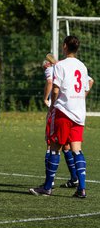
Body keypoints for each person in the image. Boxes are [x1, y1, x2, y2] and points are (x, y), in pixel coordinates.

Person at [29, 36, 90, 198]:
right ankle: (81, 188)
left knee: (54, 148)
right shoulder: (82, 66)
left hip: (63, 112)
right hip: (79, 112)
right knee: (77, 150)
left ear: (64, 46)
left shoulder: (60, 65)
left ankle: (48, 187)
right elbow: (86, 87)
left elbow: (55, 90)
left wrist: (53, 105)